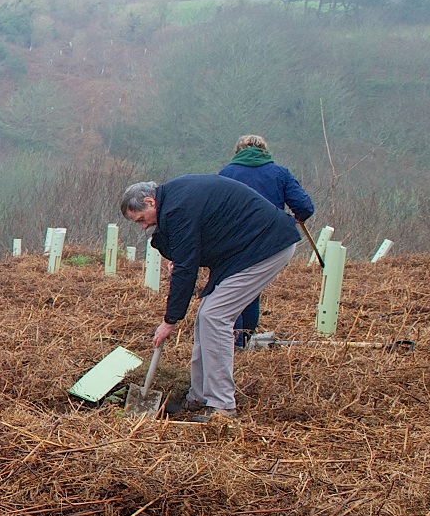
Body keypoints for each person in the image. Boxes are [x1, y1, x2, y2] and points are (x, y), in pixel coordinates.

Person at [122, 176, 300, 426]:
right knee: (206, 317)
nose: (143, 227)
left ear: (150, 201)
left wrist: (170, 321)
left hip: (265, 247)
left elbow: (186, 270)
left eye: (141, 219)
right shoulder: (176, 198)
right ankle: (199, 395)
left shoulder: (177, 208)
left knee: (215, 317)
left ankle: (222, 405)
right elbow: (196, 245)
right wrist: (182, 256)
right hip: (245, 249)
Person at [216, 134, 315, 349]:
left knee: (232, 289)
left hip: (235, 240)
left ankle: (236, 343)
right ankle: (245, 338)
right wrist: (297, 218)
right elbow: (305, 206)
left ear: (238, 151)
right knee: (252, 289)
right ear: (264, 151)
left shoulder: (227, 173)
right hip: (270, 241)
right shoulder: (280, 173)